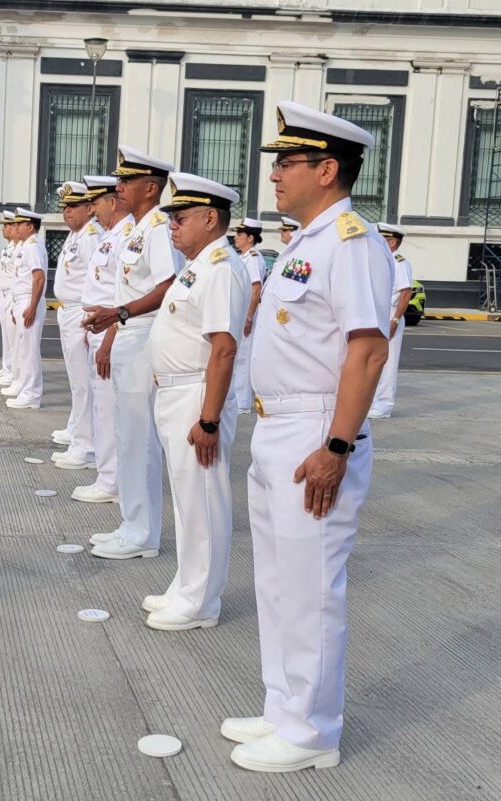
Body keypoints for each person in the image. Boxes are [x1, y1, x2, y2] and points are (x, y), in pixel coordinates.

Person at [222, 101, 391, 773]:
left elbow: (368, 352)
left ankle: (314, 730)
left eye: (286, 163)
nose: (274, 176)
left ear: (326, 169)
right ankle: (283, 706)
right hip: (277, 426)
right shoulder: (304, 241)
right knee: (277, 582)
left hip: (318, 431)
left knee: (312, 585)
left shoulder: (350, 240)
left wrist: (338, 447)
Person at [139, 173, 250, 628]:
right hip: (177, 392)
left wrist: (208, 421)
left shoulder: (221, 268)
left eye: (181, 218)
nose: (172, 227)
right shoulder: (198, 265)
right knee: (186, 499)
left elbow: (223, 347)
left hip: (197, 395)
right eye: (170, 219)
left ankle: (202, 601)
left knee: (203, 499)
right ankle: (187, 583)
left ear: (210, 218)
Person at [82, 147, 180, 557]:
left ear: (150, 187)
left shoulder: (158, 227)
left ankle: (143, 535)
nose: (118, 187)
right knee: (126, 435)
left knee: (140, 441)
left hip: (142, 336)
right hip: (127, 334)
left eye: (127, 181)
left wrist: (119, 313)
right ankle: (131, 523)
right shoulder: (136, 229)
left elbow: (167, 285)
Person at [72, 175, 132, 504]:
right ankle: (107, 475)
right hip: (100, 330)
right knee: (102, 406)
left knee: (110, 410)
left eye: (96, 202)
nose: (91, 208)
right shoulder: (110, 236)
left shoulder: (126, 237)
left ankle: (112, 480)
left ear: (112, 201)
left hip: (114, 334)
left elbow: (122, 297)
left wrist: (107, 341)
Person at [51, 182, 100, 466]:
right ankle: (77, 430)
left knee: (84, 382)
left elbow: (98, 281)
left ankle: (86, 446)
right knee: (76, 379)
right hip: (68, 310)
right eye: (65, 208)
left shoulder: (91, 235)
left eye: (72, 207)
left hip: (81, 312)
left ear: (89, 207)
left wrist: (87, 317)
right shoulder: (76, 235)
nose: (66, 212)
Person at [369, 223, 413, 419]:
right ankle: (374, 400)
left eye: (384, 238)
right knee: (373, 359)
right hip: (377, 314)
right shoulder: (382, 260)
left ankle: (385, 404)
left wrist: (395, 319)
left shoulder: (400, 263)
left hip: (390, 315)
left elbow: (405, 293)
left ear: (393, 242)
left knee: (388, 361)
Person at [4, 209, 48, 409]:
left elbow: (39, 278)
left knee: (29, 351)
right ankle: (24, 388)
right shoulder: (26, 246)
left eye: (20, 224)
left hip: (30, 302)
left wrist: (32, 307)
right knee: (23, 349)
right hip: (22, 301)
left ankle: (31, 394)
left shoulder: (32, 246)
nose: (16, 228)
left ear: (30, 226)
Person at [231, 218, 267, 414]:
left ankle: (243, 402)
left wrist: (249, 317)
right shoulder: (244, 257)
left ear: (250, 238)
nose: (236, 238)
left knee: (244, 357)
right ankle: (239, 398)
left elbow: (256, 288)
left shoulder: (253, 258)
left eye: (240, 234)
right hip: (242, 310)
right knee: (238, 355)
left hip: (248, 312)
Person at [0, 211, 18, 388]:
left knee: (13, 335)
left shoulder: (20, 248)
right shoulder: (8, 248)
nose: (3, 229)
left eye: (6, 226)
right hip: (2, 293)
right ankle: (6, 366)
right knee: (6, 334)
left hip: (11, 294)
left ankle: (13, 372)